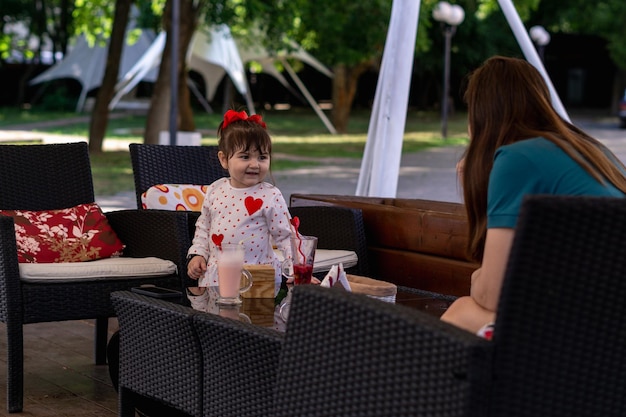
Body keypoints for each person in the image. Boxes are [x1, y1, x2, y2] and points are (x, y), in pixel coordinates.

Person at [440, 55, 626, 337]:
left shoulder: (516, 159)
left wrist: (478, 279)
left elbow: (491, 294)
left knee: (463, 311)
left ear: (481, 114)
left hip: (593, 333)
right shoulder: (591, 151)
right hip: (607, 326)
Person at [186, 109, 293, 310]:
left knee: (254, 331)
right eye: (245, 156)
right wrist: (197, 254)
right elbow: (203, 228)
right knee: (219, 328)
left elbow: (286, 236)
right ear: (224, 159)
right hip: (218, 277)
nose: (255, 164)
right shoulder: (215, 190)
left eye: (262, 157)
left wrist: (296, 268)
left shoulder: (270, 195)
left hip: (258, 277)